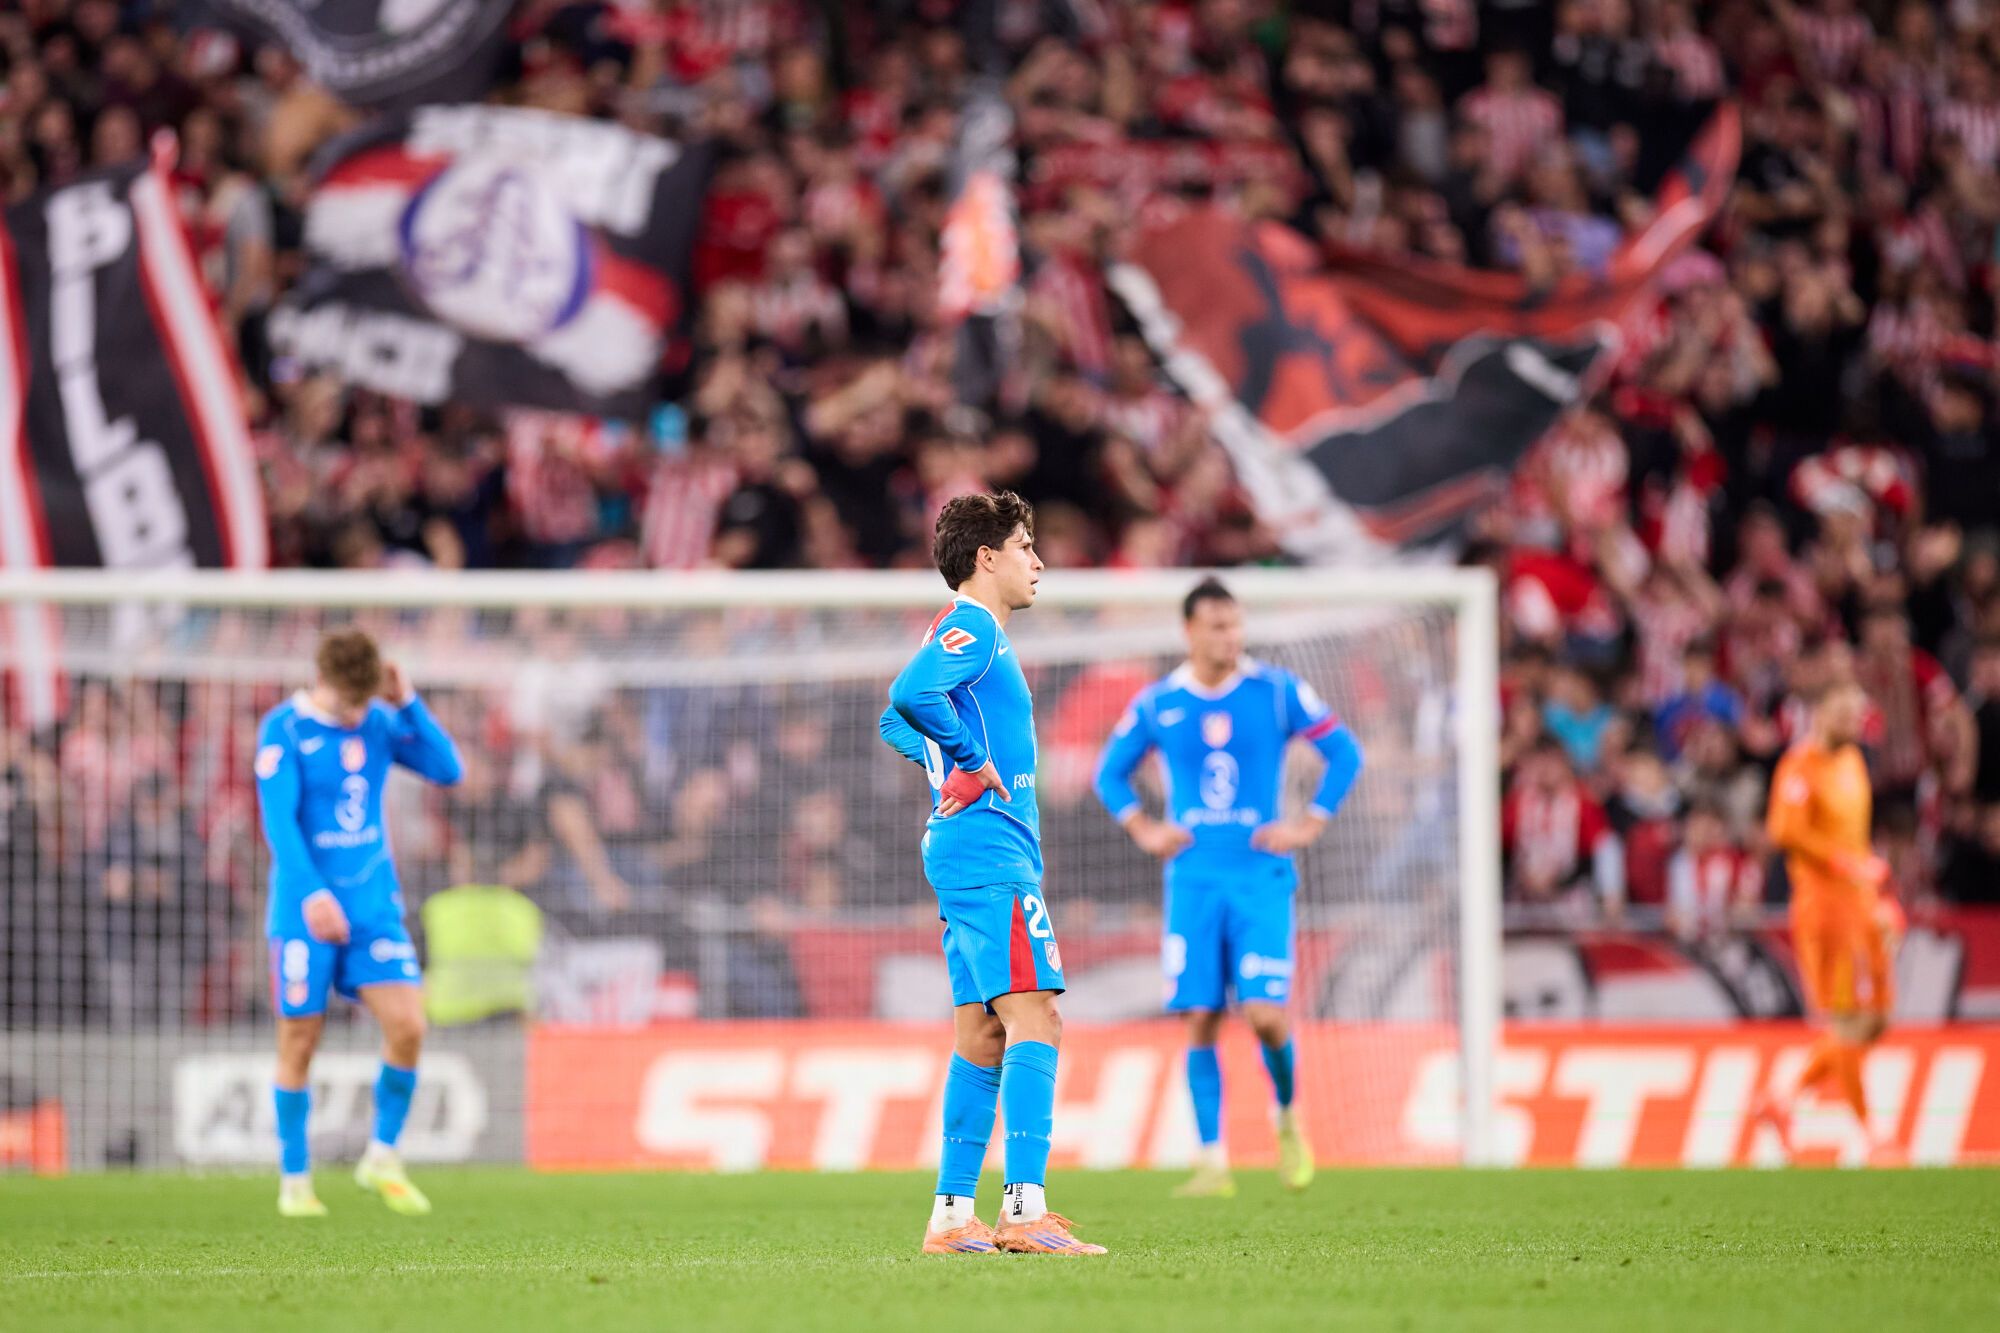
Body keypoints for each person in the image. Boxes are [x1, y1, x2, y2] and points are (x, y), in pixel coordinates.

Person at [878, 491, 1104, 1257]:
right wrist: (969, 763)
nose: (1037, 562)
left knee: (982, 1032)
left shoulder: (967, 632)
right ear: (987, 558)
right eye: (1025, 546)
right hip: (988, 850)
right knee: (1037, 1012)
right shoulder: (975, 624)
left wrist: (947, 766)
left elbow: (893, 719)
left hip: (967, 846)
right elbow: (907, 697)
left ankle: (949, 1217)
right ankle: (1024, 1209)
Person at [1092, 578, 1364, 1198]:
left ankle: (1287, 1115)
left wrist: (1310, 822)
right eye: (1217, 626)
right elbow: (1107, 773)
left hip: (1260, 877)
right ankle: (1212, 1161)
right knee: (1201, 1019)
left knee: (1266, 1016)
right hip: (1192, 880)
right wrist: (1143, 828)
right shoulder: (1160, 703)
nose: (1230, 637)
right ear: (1189, 631)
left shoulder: (1276, 691)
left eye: (1236, 625)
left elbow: (1344, 754)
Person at [255, 629, 465, 1218]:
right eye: (351, 704)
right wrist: (312, 894)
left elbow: (449, 770)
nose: (356, 716)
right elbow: (280, 825)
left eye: (364, 704)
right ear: (323, 683)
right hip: (306, 913)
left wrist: (407, 702)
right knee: (300, 1041)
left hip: (373, 910)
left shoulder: (376, 720)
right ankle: (295, 1180)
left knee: (409, 1026)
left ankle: (381, 1157)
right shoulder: (283, 730)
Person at [1755, 678, 1900, 1164]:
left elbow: (1854, 842)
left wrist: (1877, 896)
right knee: (1845, 1022)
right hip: (1824, 909)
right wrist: (1840, 863)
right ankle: (1872, 1135)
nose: (1854, 722)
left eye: (1857, 713)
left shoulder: (1853, 762)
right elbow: (1783, 831)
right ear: (1820, 713)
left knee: (1876, 1018)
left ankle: (1784, 1097)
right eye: (1844, 712)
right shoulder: (1800, 764)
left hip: (1860, 904)